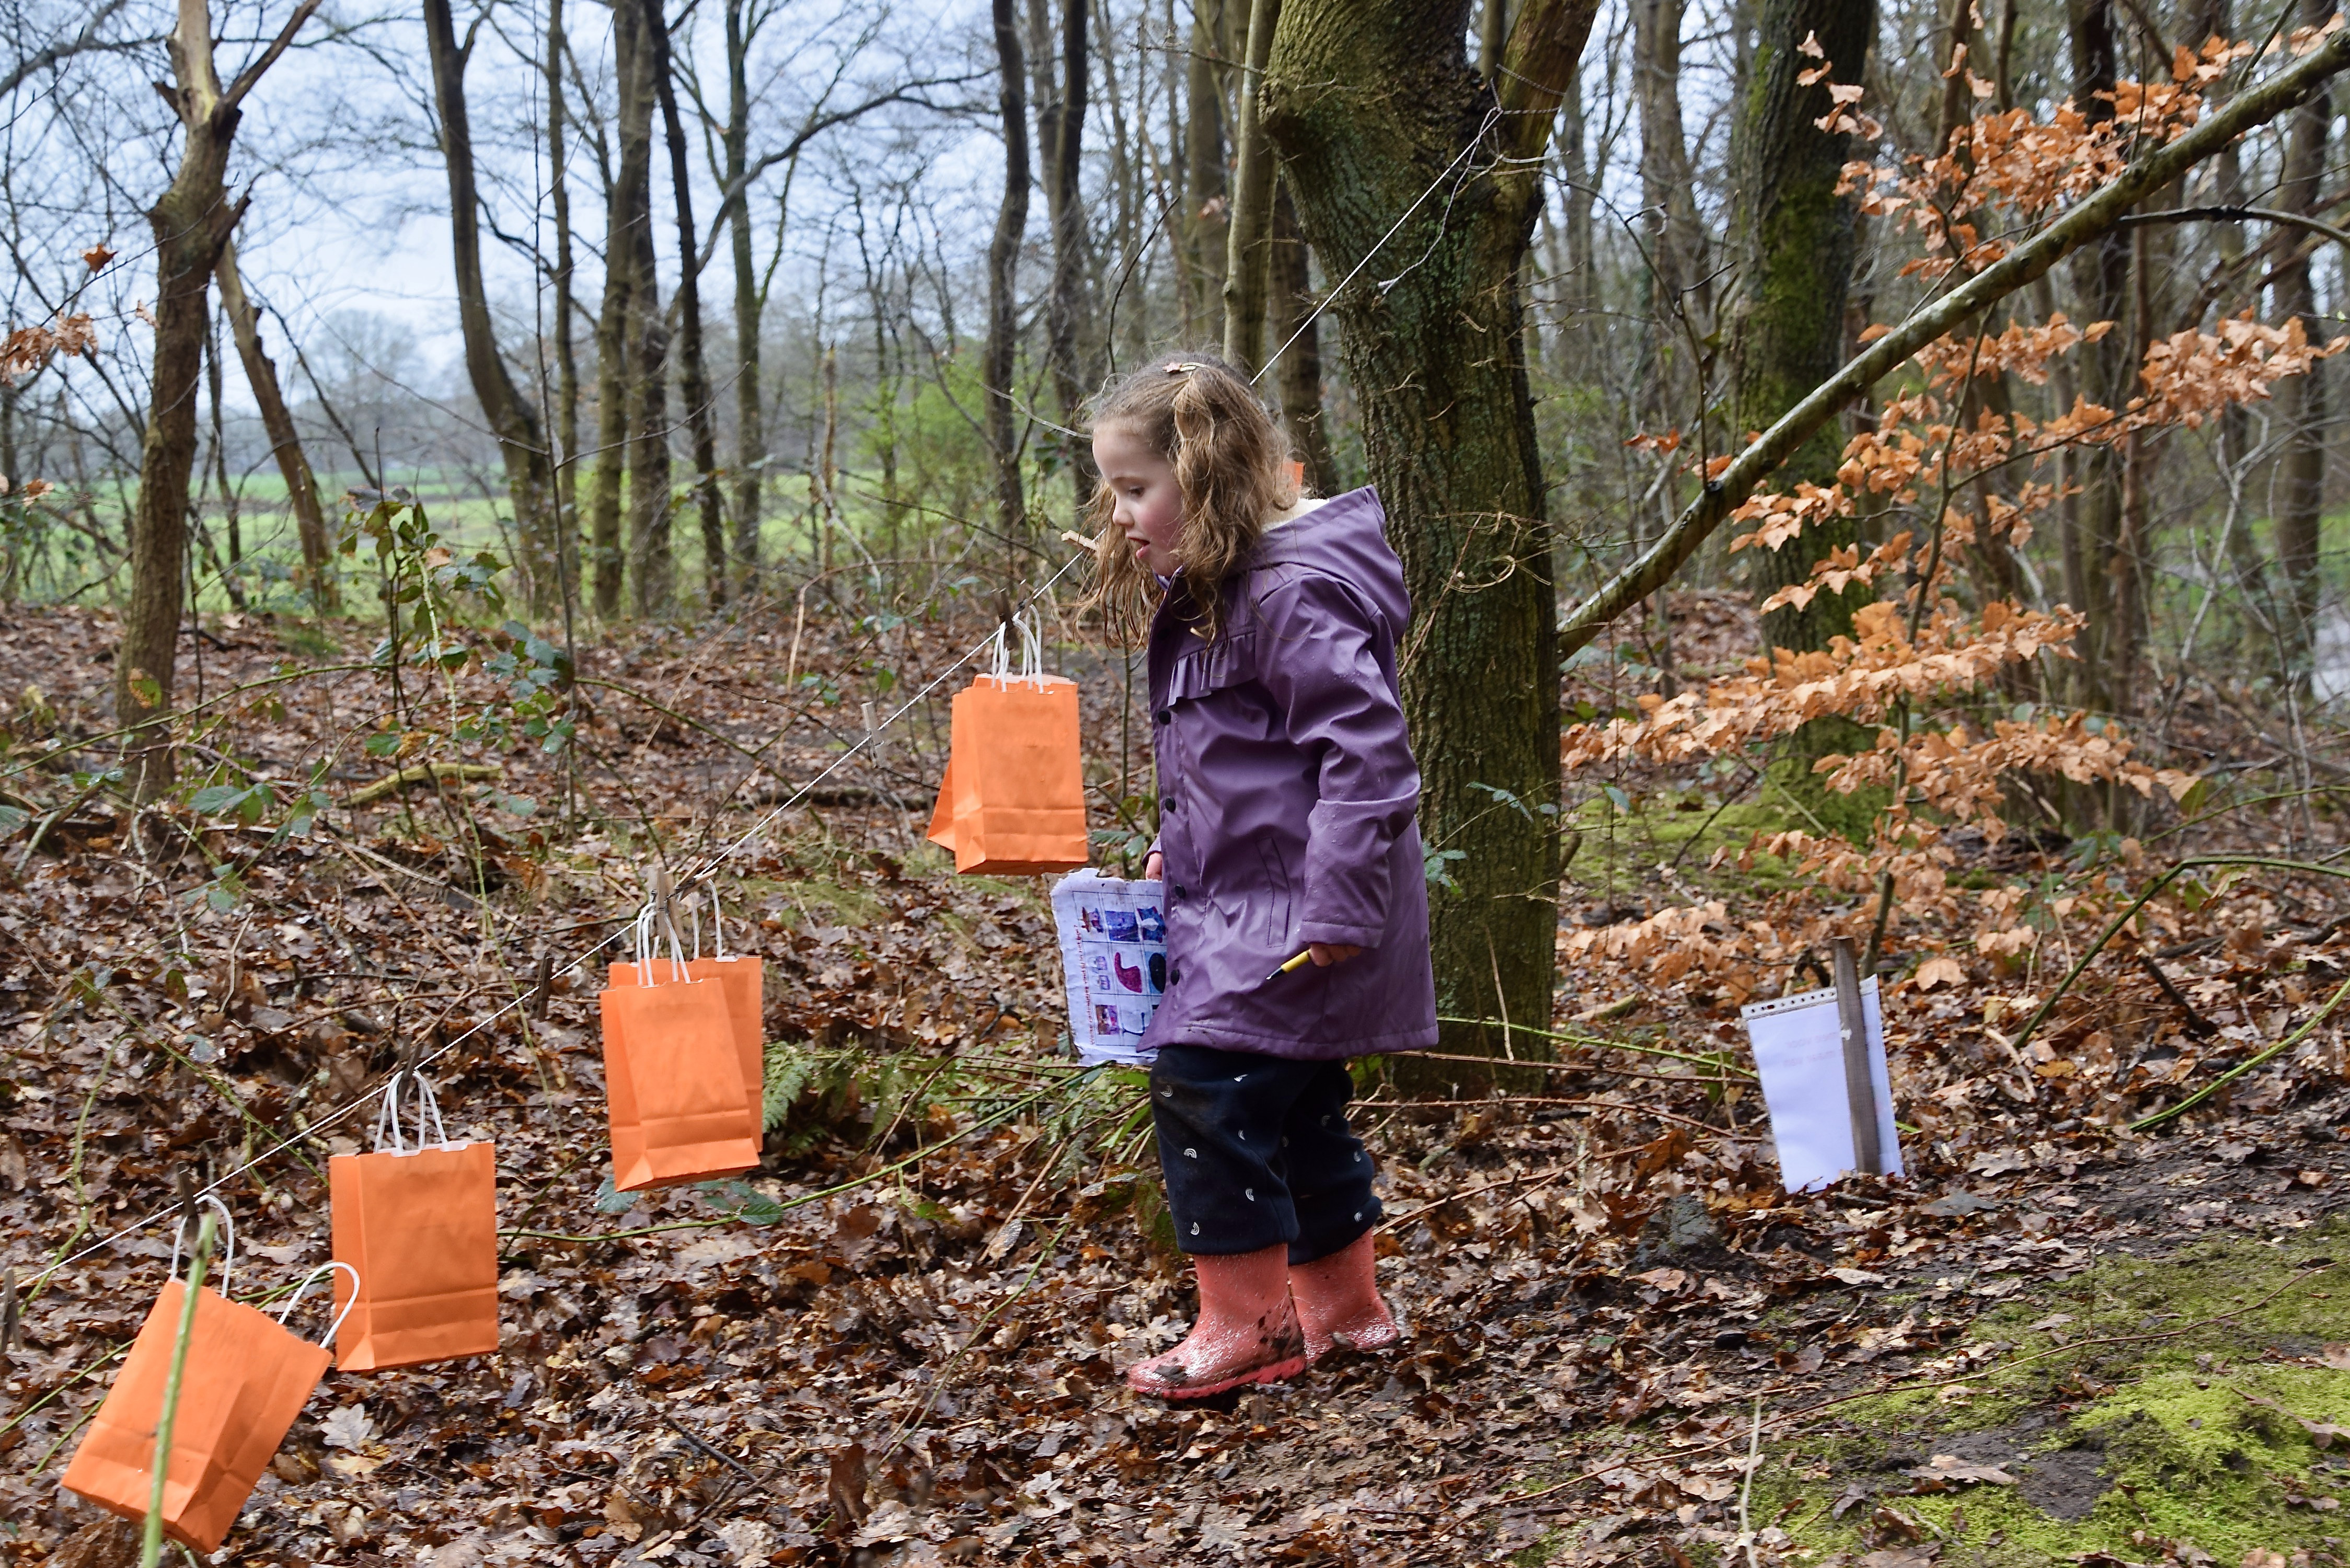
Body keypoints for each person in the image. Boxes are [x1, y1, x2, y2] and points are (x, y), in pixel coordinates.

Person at [1085, 354, 1437, 1400]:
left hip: (1304, 909)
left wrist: (1339, 901)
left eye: (1135, 488)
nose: (1118, 516)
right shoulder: (1229, 588)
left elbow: (1364, 756)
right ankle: (1348, 1314)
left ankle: (1246, 1326)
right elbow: (1246, 763)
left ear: (1207, 476)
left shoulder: (1287, 592)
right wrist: (1183, 846)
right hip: (1253, 900)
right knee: (1294, 1101)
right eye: (1112, 490)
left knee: (1202, 1085)